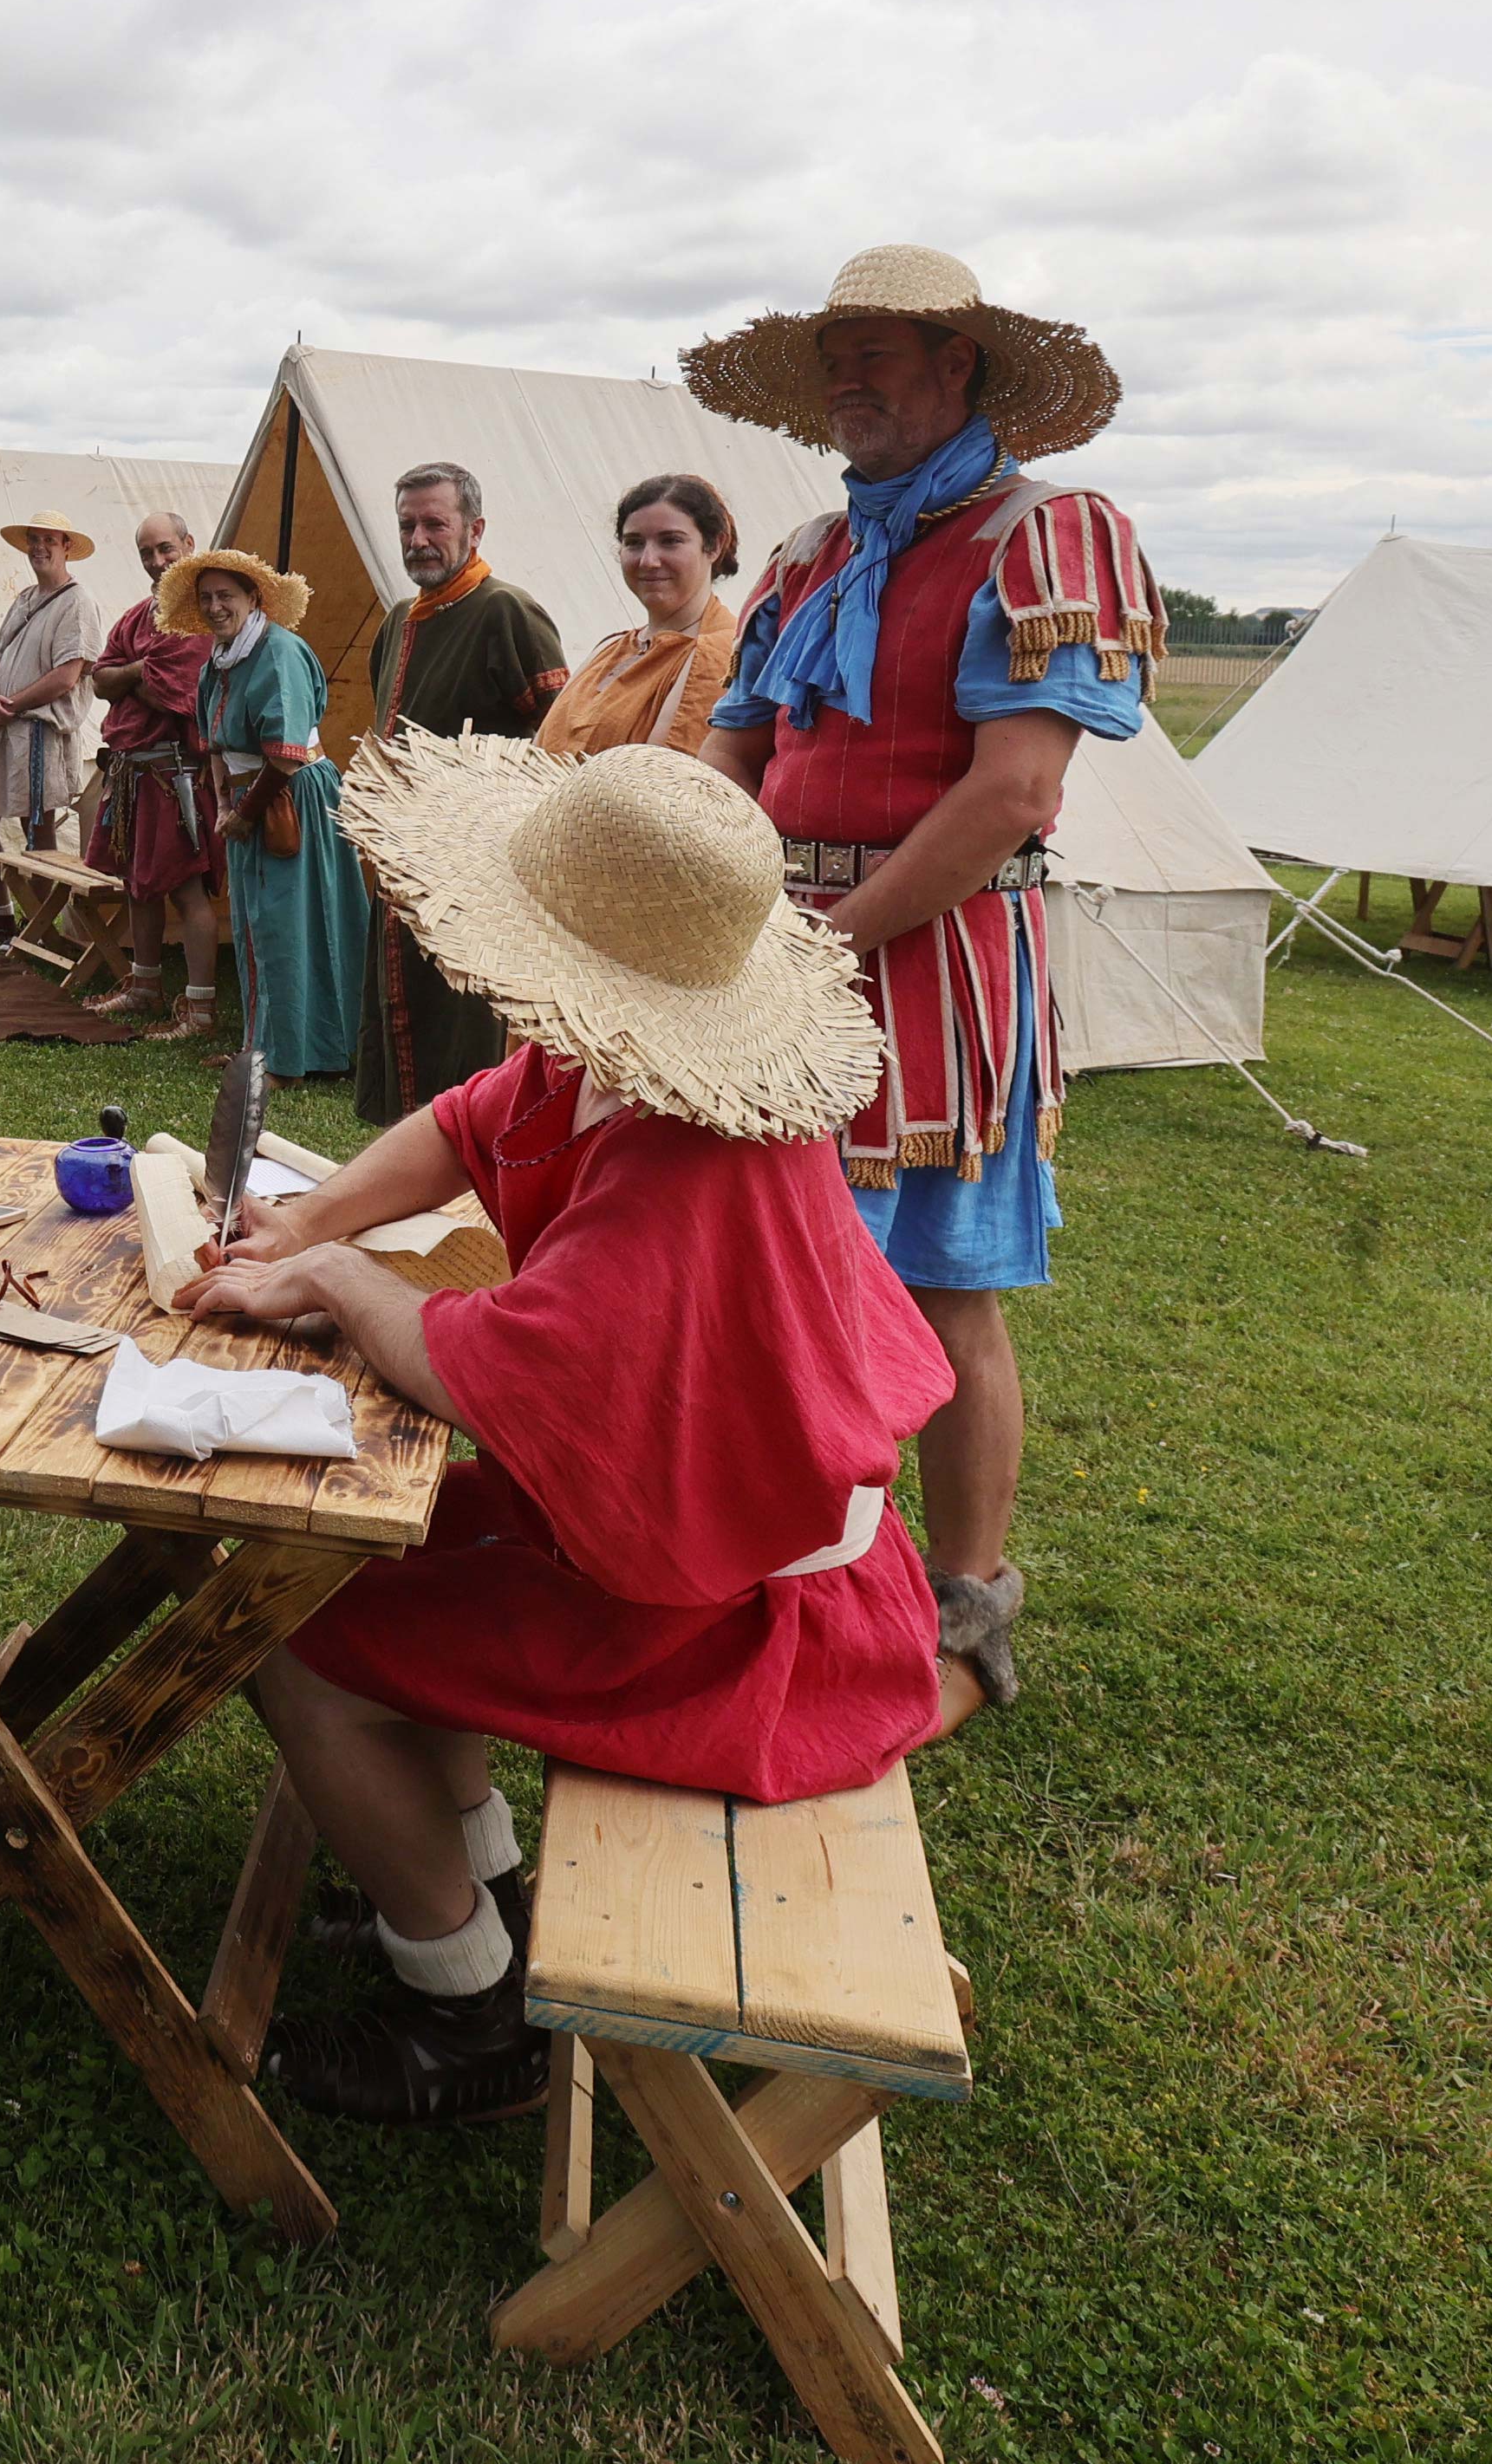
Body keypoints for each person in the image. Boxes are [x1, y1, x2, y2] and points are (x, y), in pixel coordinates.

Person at [183, 735, 944, 2125]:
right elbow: (470, 1121)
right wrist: (308, 1220)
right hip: (720, 1553)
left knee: (292, 1643)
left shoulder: (682, 1156)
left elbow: (501, 1376)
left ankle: (468, 2014)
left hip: (752, 1629)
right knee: (401, 1572)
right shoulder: (614, 1061)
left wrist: (343, 1281)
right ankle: (476, 1891)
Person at [690, 244, 1162, 1719]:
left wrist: (829, 936)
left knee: (946, 1293)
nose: (848, 386)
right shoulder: (805, 556)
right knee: (772, 1282)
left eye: (876, 356)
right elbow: (737, 745)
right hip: (772, 950)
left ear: (958, 364)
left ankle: (961, 1595)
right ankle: (792, 1572)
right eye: (833, 362)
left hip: (936, 961)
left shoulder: (1045, 532)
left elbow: (1011, 792)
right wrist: (694, 882)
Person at [354, 463, 568, 1124]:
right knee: (404, 1020)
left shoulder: (505, 610)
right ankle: (401, 1170)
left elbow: (562, 731)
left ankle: (466, 1177)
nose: (418, 538)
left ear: (473, 530)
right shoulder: (398, 621)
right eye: (407, 525)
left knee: (463, 1031)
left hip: (474, 878)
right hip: (401, 869)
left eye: (433, 523)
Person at [165, 549, 361, 1076]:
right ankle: (263, 1048)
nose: (214, 606)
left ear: (253, 599)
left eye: (225, 595)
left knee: (290, 926)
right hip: (250, 804)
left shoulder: (279, 653)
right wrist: (226, 803)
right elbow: (216, 749)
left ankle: (304, 1053)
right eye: (206, 597)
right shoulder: (219, 660)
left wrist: (247, 813)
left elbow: (286, 755)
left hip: (294, 802)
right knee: (257, 928)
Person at [82, 510, 225, 1037]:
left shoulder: (197, 617)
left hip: (175, 774)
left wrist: (131, 675)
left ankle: (201, 1009)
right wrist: (139, 669)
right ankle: (144, 987)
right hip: (134, 773)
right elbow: (99, 678)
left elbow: (174, 691)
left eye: (166, 548)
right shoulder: (140, 614)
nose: (157, 560)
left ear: (189, 544)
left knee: (187, 891)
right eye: (147, 552)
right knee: (137, 886)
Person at [0, 509, 105, 939]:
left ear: (66, 547)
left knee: (36, 831)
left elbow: (68, 674)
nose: (39, 548)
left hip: (39, 731)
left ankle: (37, 933)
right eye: (33, 540)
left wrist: (12, 705)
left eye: (49, 540)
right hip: (2, 726)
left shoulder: (78, 602)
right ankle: (2, 917)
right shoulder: (24, 598)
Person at [535, 474, 742, 761]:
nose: (649, 561)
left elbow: (658, 786)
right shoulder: (610, 649)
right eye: (634, 543)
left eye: (670, 541)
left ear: (715, 545)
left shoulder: (719, 653)